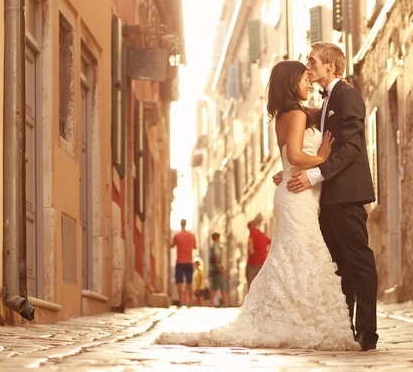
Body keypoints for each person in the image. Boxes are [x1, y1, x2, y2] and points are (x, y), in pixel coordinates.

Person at [157, 60, 359, 351]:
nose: (308, 83)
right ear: (290, 83)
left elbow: (327, 116)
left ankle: (295, 313)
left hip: (293, 193)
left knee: (293, 256)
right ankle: (299, 315)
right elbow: (296, 156)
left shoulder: (287, 115)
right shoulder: (297, 116)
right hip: (296, 195)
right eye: (304, 79)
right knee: (301, 254)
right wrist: (324, 157)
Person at [281, 42, 379, 351]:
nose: (307, 66)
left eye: (312, 61)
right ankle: (345, 330)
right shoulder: (326, 102)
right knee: (341, 266)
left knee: (359, 262)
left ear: (330, 68)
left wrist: (313, 176)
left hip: (347, 194)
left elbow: (351, 148)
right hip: (329, 198)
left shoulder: (347, 96)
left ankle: (367, 333)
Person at [171, 219, 197, 307]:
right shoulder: (192, 236)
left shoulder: (177, 236)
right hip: (189, 261)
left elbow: (172, 245)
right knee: (190, 282)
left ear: (180, 224)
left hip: (180, 262)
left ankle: (181, 302)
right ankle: (190, 302)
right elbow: (195, 247)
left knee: (180, 282)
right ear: (186, 224)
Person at [246, 220, 272, 290]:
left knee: (251, 282)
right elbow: (271, 242)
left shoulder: (252, 232)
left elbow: (250, 241)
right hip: (263, 262)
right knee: (261, 283)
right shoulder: (262, 234)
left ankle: (250, 299)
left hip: (253, 262)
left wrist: (251, 251)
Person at [208, 232, 228, 307]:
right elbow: (217, 257)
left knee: (213, 288)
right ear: (218, 238)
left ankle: (211, 305)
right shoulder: (216, 246)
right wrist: (221, 269)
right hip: (217, 270)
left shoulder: (212, 246)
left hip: (213, 270)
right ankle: (226, 305)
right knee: (223, 287)